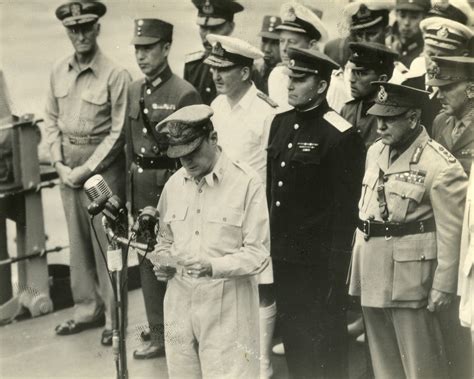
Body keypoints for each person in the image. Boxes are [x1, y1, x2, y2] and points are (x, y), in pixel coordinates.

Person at [349, 81, 468, 378]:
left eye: (388, 119)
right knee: (384, 366)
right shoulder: (375, 152)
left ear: (413, 118)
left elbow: (452, 234)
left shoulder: (440, 166)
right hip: (372, 272)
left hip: (412, 282)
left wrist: (443, 286)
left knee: (420, 368)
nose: (380, 127)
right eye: (377, 118)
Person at [267, 47, 365, 378]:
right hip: (285, 258)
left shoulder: (340, 135)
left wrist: (337, 274)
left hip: (319, 264)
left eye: (299, 79)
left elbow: (345, 212)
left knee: (326, 346)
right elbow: (273, 196)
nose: (290, 86)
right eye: (289, 78)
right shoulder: (280, 124)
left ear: (321, 86)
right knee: (295, 343)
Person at [151, 104, 270, 379]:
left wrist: (212, 266)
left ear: (213, 138)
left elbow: (258, 254)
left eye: (192, 152)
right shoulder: (174, 185)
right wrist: (162, 263)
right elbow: (163, 241)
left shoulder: (246, 183)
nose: (186, 162)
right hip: (179, 306)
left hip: (228, 309)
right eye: (179, 156)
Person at [44, 0, 131, 344]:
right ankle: (87, 310)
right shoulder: (56, 72)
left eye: (85, 27)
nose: (79, 34)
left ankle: (115, 318)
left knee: (106, 244)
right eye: (73, 29)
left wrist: (84, 170)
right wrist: (60, 164)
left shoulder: (115, 75)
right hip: (68, 173)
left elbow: (119, 131)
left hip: (101, 175)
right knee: (78, 245)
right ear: (67, 31)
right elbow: (50, 122)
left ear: (98, 28)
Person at [125, 18, 201, 360]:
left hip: (168, 187)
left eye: (148, 48)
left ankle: (180, 331)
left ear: (166, 48)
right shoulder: (134, 90)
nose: (141, 56)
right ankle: (158, 330)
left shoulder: (183, 93)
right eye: (138, 49)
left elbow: (188, 150)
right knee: (145, 260)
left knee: (172, 260)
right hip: (141, 185)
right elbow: (131, 146)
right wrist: (130, 194)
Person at [205, 33, 278, 378]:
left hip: (255, 209)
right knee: (227, 285)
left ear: (246, 73)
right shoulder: (216, 108)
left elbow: (273, 167)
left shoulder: (265, 113)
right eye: (214, 69)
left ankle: (262, 363)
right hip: (221, 209)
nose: (216, 76)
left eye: (225, 69)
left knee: (261, 285)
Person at [428, 55, 474, 379]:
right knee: (446, 329)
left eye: (447, 87)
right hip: (444, 234)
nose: (439, 93)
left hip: (471, 235)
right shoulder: (440, 123)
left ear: (471, 88)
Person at [403, 1, 473, 130]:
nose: (434, 64)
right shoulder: (407, 86)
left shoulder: (463, 96)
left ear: (461, 56)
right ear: (423, 50)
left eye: (442, 57)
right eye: (430, 54)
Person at [267, 1, 328, 110]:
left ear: (312, 45)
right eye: (281, 41)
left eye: (291, 42)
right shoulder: (277, 75)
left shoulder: (328, 82)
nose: (284, 48)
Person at [183, 0, 243, 105]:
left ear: (231, 27)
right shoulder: (192, 67)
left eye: (215, 28)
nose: (208, 35)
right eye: (203, 28)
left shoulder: (243, 67)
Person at [341, 42, 398, 148]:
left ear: (382, 79)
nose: (351, 79)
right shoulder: (347, 110)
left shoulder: (393, 113)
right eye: (352, 72)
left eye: (361, 74)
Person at [387, 0, 430, 67]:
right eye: (402, 16)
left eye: (414, 17)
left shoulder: (427, 49)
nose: (406, 23)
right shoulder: (386, 41)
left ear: (424, 19)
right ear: (396, 15)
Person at [253, 15, 282, 95]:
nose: (267, 49)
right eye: (264, 40)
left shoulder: (285, 75)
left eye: (275, 43)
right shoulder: (257, 68)